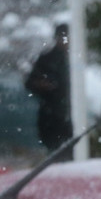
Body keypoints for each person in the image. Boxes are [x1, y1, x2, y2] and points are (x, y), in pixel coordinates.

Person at [24, 22, 72, 158]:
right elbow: (30, 83)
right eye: (62, 37)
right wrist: (44, 85)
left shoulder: (71, 59)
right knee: (57, 155)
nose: (65, 42)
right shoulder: (48, 59)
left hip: (60, 117)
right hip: (52, 118)